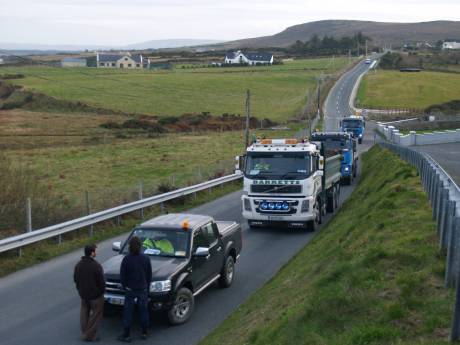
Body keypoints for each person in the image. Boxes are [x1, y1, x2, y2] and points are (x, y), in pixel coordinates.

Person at [118, 236, 152, 342]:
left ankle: (127, 334)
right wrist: (146, 285)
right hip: (142, 289)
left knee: (128, 312)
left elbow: (122, 275)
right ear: (140, 246)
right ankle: (144, 332)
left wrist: (125, 286)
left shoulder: (126, 259)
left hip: (130, 289)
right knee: (143, 311)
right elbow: (149, 275)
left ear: (130, 246)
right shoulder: (146, 259)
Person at [73, 244, 105, 342]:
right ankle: (89, 335)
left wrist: (80, 289)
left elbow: (76, 279)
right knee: (96, 314)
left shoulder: (79, 265)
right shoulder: (96, 266)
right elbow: (101, 282)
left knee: (84, 313)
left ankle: (84, 331)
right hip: (95, 296)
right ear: (92, 252)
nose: (96, 252)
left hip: (83, 294)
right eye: (95, 251)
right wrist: (101, 292)